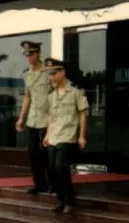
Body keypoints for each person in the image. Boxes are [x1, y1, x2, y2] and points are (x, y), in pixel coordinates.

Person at [42, 58, 88, 214]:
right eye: (50, 74)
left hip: (68, 135)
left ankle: (70, 201)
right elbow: (51, 116)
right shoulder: (51, 95)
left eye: (54, 73)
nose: (52, 77)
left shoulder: (75, 92)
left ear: (63, 72)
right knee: (51, 169)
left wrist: (82, 136)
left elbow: (82, 114)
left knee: (60, 166)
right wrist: (47, 134)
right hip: (54, 135)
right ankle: (62, 200)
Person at [14, 40, 52, 195]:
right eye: (26, 55)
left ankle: (53, 184)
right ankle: (40, 184)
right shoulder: (27, 74)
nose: (28, 57)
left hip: (48, 119)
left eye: (31, 54)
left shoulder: (49, 72)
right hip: (33, 119)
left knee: (47, 154)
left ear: (39, 53)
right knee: (33, 153)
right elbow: (27, 97)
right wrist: (21, 118)